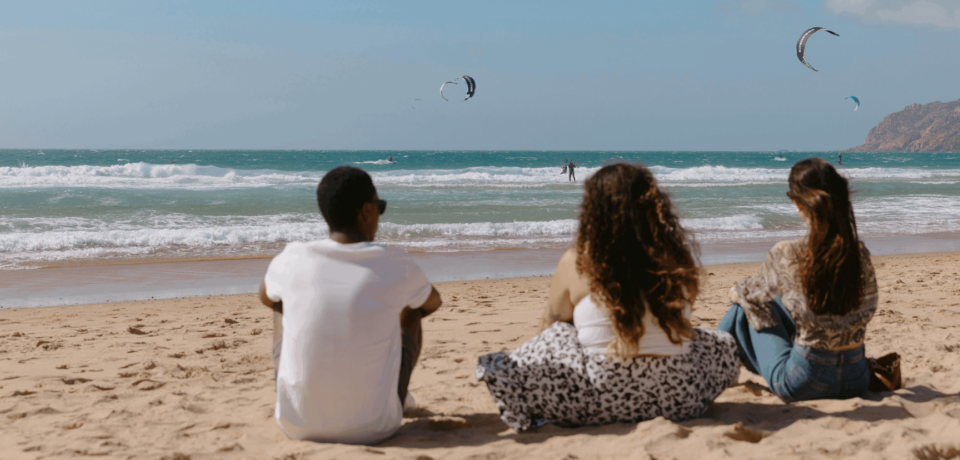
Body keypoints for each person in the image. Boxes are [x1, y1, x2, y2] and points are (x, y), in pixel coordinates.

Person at [476, 163, 739, 430]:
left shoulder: (579, 260)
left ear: (594, 210)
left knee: (556, 334)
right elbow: (681, 320)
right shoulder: (678, 260)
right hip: (681, 399)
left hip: (596, 400)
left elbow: (547, 328)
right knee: (718, 341)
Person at [259, 166, 442, 444]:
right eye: (380, 207)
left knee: (280, 302)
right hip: (376, 426)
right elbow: (432, 301)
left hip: (296, 423)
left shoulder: (292, 258)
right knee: (411, 307)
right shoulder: (395, 263)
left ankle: (300, 395)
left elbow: (265, 296)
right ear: (367, 211)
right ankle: (397, 395)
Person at [718, 157, 877, 403]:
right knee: (778, 301)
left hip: (805, 380)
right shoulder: (859, 252)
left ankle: (719, 372)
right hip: (858, 379)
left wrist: (734, 292)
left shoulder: (788, 253)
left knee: (742, 308)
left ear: (798, 203)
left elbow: (748, 294)